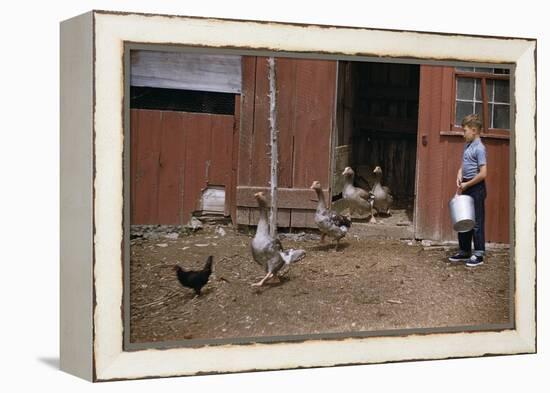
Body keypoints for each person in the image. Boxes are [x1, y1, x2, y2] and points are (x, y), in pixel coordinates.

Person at [448, 114, 487, 267]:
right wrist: (459, 173)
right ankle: (464, 251)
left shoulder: (480, 148)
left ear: (474, 130)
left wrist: (468, 184)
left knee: (477, 222)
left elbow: (483, 173)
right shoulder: (468, 145)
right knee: (464, 219)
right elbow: (464, 164)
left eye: (465, 131)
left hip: (476, 188)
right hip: (466, 184)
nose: (463, 134)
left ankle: (478, 254)